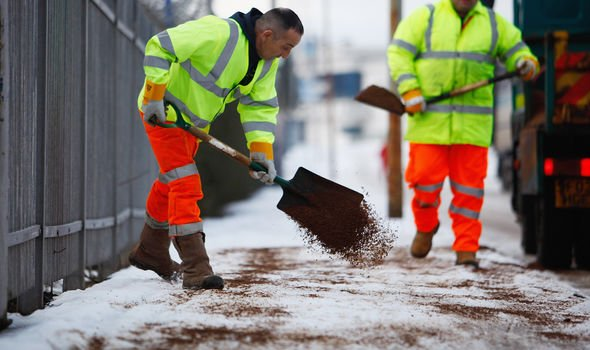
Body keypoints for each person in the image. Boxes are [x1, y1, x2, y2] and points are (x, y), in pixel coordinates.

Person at [128, 8, 304, 290]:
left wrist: (261, 153)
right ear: (267, 34)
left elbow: (260, 107)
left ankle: (151, 251)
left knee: (169, 182)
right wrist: (153, 96)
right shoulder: (219, 33)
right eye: (286, 47)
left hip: (191, 127)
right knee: (185, 183)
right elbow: (161, 45)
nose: (286, 55)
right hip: (163, 115)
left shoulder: (266, 64)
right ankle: (196, 268)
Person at [387, 0, 539, 267]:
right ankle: (426, 227)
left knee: (469, 193)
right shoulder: (426, 17)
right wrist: (410, 89)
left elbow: (518, 50)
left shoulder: (492, 22)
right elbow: (399, 52)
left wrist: (525, 62)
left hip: (472, 128)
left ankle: (466, 249)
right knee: (423, 183)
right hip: (429, 125)